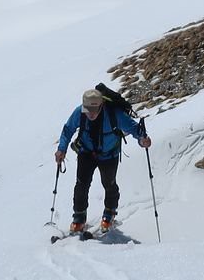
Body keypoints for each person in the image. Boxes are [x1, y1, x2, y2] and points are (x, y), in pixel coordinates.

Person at [56, 88, 150, 234]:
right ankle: (79, 217)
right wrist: (62, 149)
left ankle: (109, 214)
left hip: (109, 154)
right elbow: (68, 129)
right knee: (81, 184)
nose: (91, 113)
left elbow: (133, 128)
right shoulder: (79, 113)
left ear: (101, 106)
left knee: (109, 183)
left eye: (94, 109)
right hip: (86, 152)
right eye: (88, 109)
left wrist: (142, 139)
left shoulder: (114, 114)